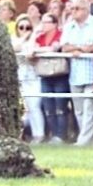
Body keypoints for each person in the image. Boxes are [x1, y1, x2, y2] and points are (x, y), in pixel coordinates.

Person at [60, 0, 93, 146]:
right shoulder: (69, 26)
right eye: (72, 9)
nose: (73, 11)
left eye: (77, 9)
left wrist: (78, 48)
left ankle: (83, 141)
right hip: (75, 74)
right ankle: (89, 140)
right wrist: (81, 48)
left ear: (86, 10)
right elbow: (64, 47)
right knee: (79, 110)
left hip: (92, 72)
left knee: (89, 108)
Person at [34, 12, 67, 143]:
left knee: (60, 107)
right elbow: (31, 47)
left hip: (59, 75)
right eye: (42, 22)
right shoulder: (40, 37)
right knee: (48, 107)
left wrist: (39, 50)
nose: (44, 25)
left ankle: (61, 136)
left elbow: (55, 47)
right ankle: (53, 134)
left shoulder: (61, 34)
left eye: (47, 22)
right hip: (45, 74)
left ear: (54, 24)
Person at [13, 14, 45, 144]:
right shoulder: (14, 39)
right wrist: (25, 37)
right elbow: (14, 48)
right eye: (21, 27)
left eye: (28, 27)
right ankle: (22, 134)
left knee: (34, 106)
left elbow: (32, 51)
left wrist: (31, 36)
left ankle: (39, 135)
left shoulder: (36, 40)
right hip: (19, 79)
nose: (25, 29)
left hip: (34, 78)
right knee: (23, 109)